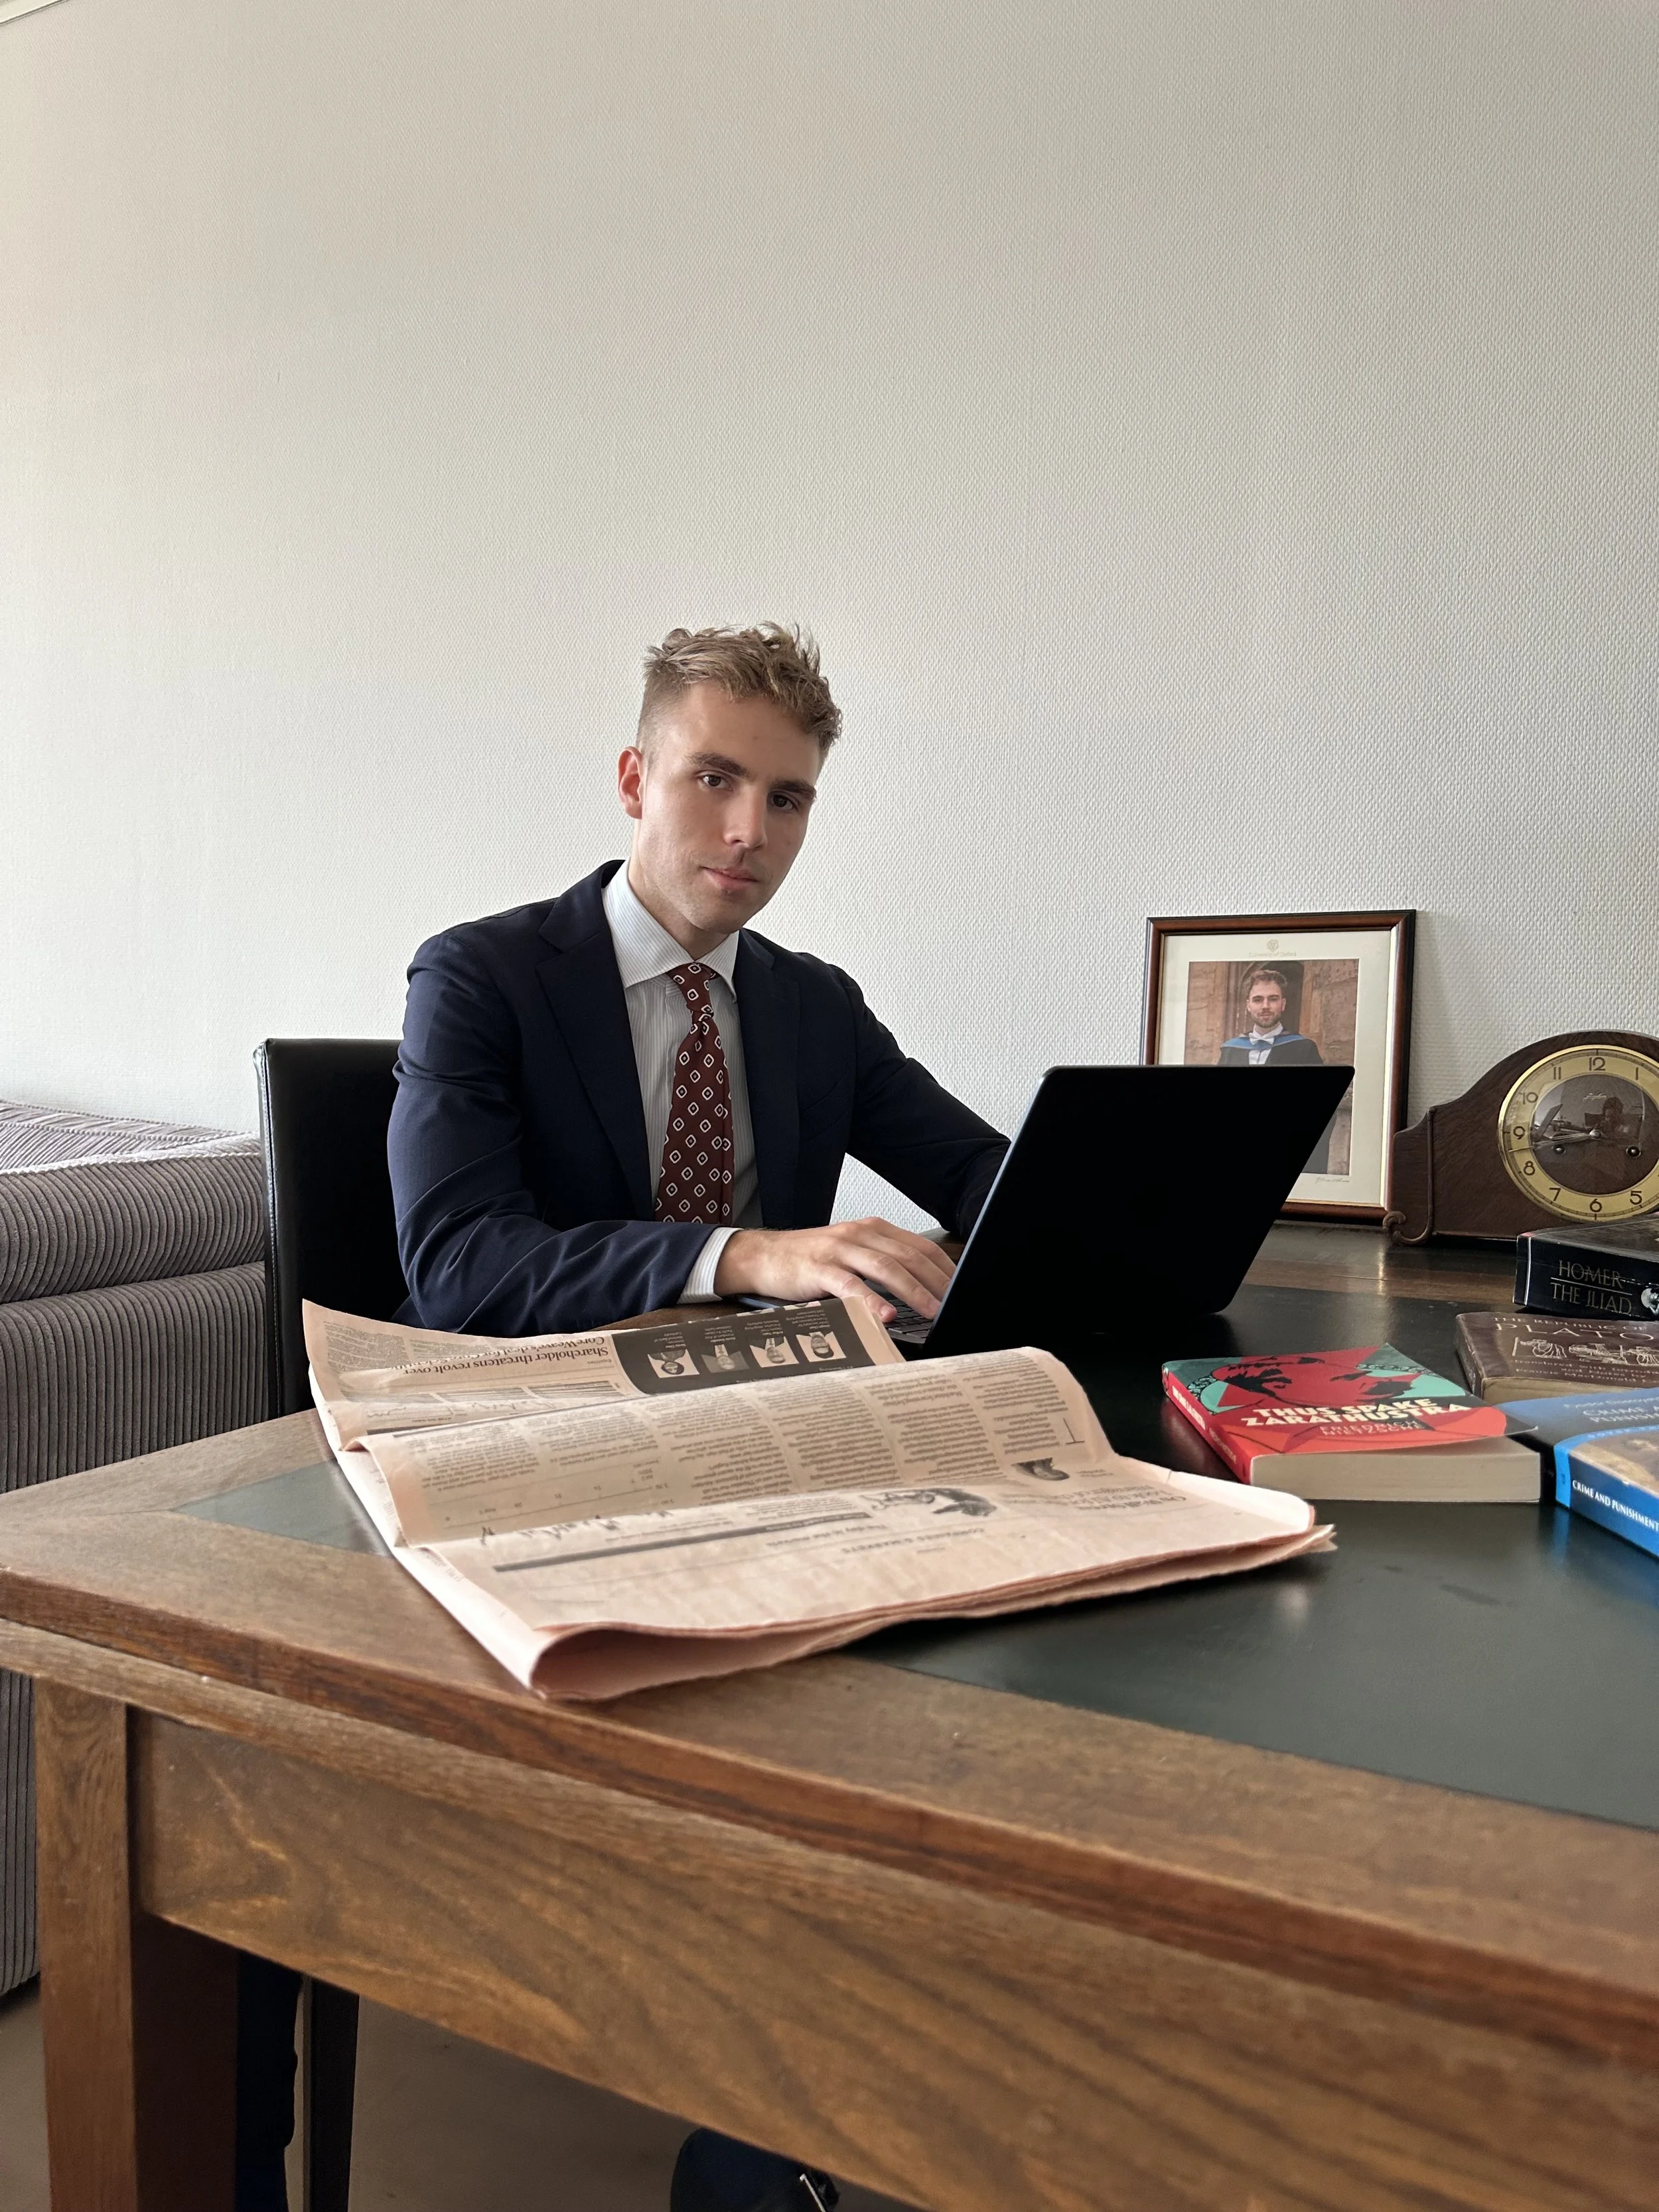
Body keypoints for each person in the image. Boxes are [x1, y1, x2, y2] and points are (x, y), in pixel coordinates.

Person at [368, 623, 1003, 2212]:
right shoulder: (483, 976)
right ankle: (770, 2073)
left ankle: (816, 2089)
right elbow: (457, 1265)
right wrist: (744, 1251)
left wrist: (1087, 1220)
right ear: (640, 776)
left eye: (788, 800)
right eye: (717, 780)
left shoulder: (811, 1006)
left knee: (986, 1601)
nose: (751, 833)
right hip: (534, 1455)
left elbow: (988, 1177)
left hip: (758, 1444)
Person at [1216, 966, 1332, 1175]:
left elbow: (1320, 1106)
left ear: (1283, 1004)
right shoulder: (1231, 1050)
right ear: (1248, 1006)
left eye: (1273, 999)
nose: (1266, 1006)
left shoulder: (1303, 1049)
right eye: (1258, 999)